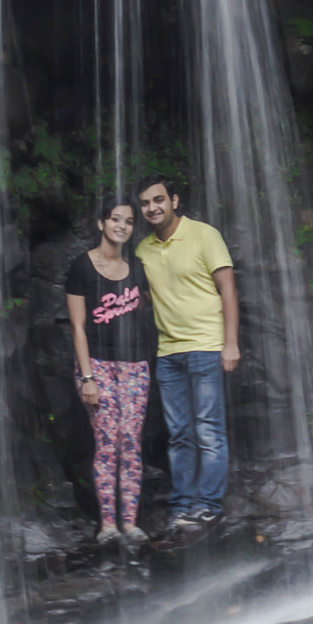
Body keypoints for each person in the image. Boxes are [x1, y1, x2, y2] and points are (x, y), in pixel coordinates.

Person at [135, 172, 240, 535]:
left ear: (174, 201)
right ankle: (183, 507)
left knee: (208, 430)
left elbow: (227, 289)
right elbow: (143, 297)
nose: (152, 207)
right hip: (168, 353)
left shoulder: (204, 235)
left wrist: (231, 342)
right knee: (179, 434)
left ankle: (209, 507)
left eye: (158, 199)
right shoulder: (143, 250)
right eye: (146, 202)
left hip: (207, 346)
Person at [65, 198, 158, 545]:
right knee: (107, 442)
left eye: (129, 221)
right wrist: (87, 377)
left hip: (135, 366)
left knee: (131, 443)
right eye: (115, 219)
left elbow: (153, 305)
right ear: (102, 223)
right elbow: (77, 328)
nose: (122, 226)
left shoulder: (137, 269)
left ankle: (130, 523)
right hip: (98, 366)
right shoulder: (82, 267)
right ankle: (107, 526)